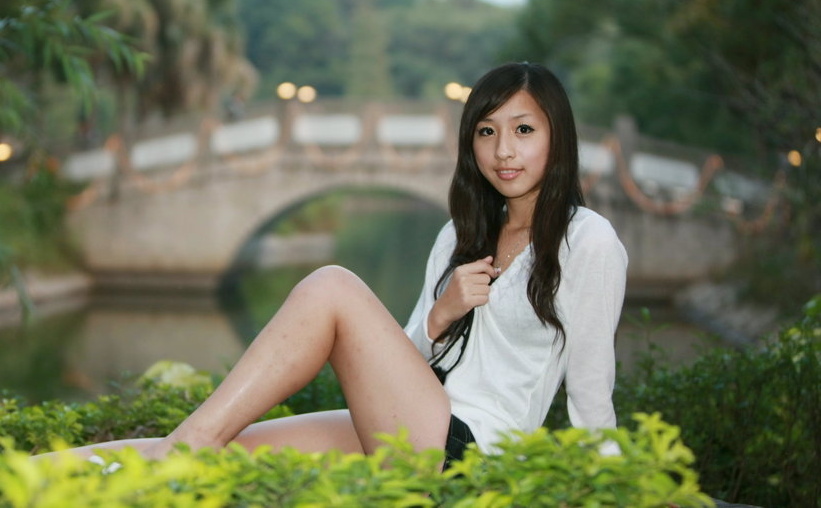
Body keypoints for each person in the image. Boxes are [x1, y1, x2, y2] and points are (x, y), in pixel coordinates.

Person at [42, 61, 627, 467]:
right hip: (411, 422)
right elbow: (409, 356)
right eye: (487, 132)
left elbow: (591, 392)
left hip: (478, 455)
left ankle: (182, 448)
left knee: (332, 287)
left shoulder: (588, 242)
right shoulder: (460, 234)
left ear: (557, 137)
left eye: (524, 130)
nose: (503, 150)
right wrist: (440, 314)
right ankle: (21, 476)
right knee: (227, 448)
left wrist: (622, 485)